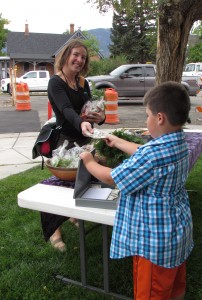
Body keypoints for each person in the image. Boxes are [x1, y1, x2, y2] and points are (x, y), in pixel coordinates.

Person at [80, 81, 193, 300]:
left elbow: (114, 178)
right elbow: (145, 151)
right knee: (174, 288)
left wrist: (89, 161)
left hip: (153, 244)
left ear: (159, 118)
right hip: (176, 233)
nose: (146, 120)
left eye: (147, 115)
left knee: (151, 293)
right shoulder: (179, 142)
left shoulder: (152, 156)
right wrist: (119, 141)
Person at [41, 39, 105, 252]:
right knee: (58, 187)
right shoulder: (55, 83)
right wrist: (82, 122)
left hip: (85, 139)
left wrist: (100, 117)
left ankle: (73, 214)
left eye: (83, 57)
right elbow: (67, 110)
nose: (79, 60)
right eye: (76, 54)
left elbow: (88, 110)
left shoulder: (83, 83)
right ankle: (54, 231)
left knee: (84, 181)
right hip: (63, 143)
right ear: (67, 55)